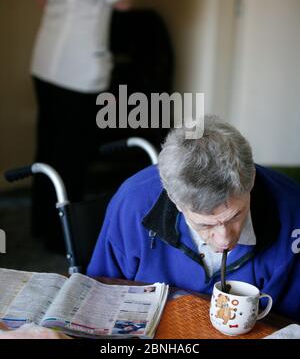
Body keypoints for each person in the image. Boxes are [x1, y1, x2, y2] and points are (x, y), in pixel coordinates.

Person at [87, 115, 300, 322]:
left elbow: (288, 323)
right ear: (173, 198)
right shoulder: (132, 203)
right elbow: (100, 296)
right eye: (205, 224)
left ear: (251, 178)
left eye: (235, 215)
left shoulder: (293, 213)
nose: (224, 240)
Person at [30, 0, 134, 252]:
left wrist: (66, 16)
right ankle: (65, 240)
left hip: (45, 62)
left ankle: (40, 226)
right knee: (72, 157)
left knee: (47, 148)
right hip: (79, 70)